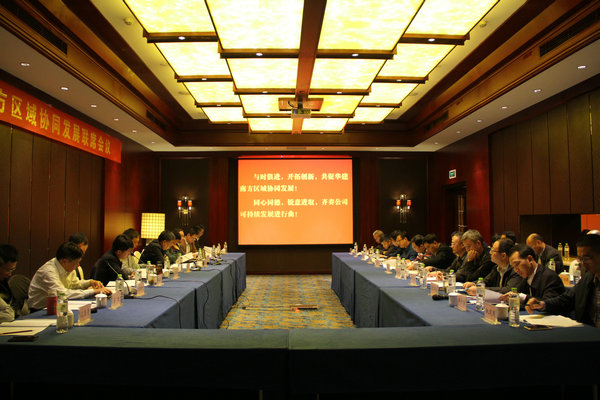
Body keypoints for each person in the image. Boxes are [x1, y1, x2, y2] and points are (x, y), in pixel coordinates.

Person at [527, 233, 600, 327]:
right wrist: (542, 304)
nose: (583, 264)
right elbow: (567, 299)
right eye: (580, 259)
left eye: (586, 258)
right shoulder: (588, 278)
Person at [28, 242, 110, 310]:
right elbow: (63, 294)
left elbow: (74, 284)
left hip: (58, 306)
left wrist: (90, 282)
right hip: (40, 310)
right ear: (65, 261)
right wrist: (93, 291)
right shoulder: (49, 272)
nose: (78, 266)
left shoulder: (67, 266)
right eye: (76, 263)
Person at [499, 243, 565, 306]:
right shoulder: (526, 277)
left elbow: (548, 303)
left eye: (517, 264)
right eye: (513, 267)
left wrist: (523, 297)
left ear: (529, 259)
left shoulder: (549, 276)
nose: (516, 270)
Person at [0, 245, 29, 322]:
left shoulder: (3, 282)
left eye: (12, 270)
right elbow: (8, 315)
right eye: (7, 270)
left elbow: (13, 307)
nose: (10, 274)